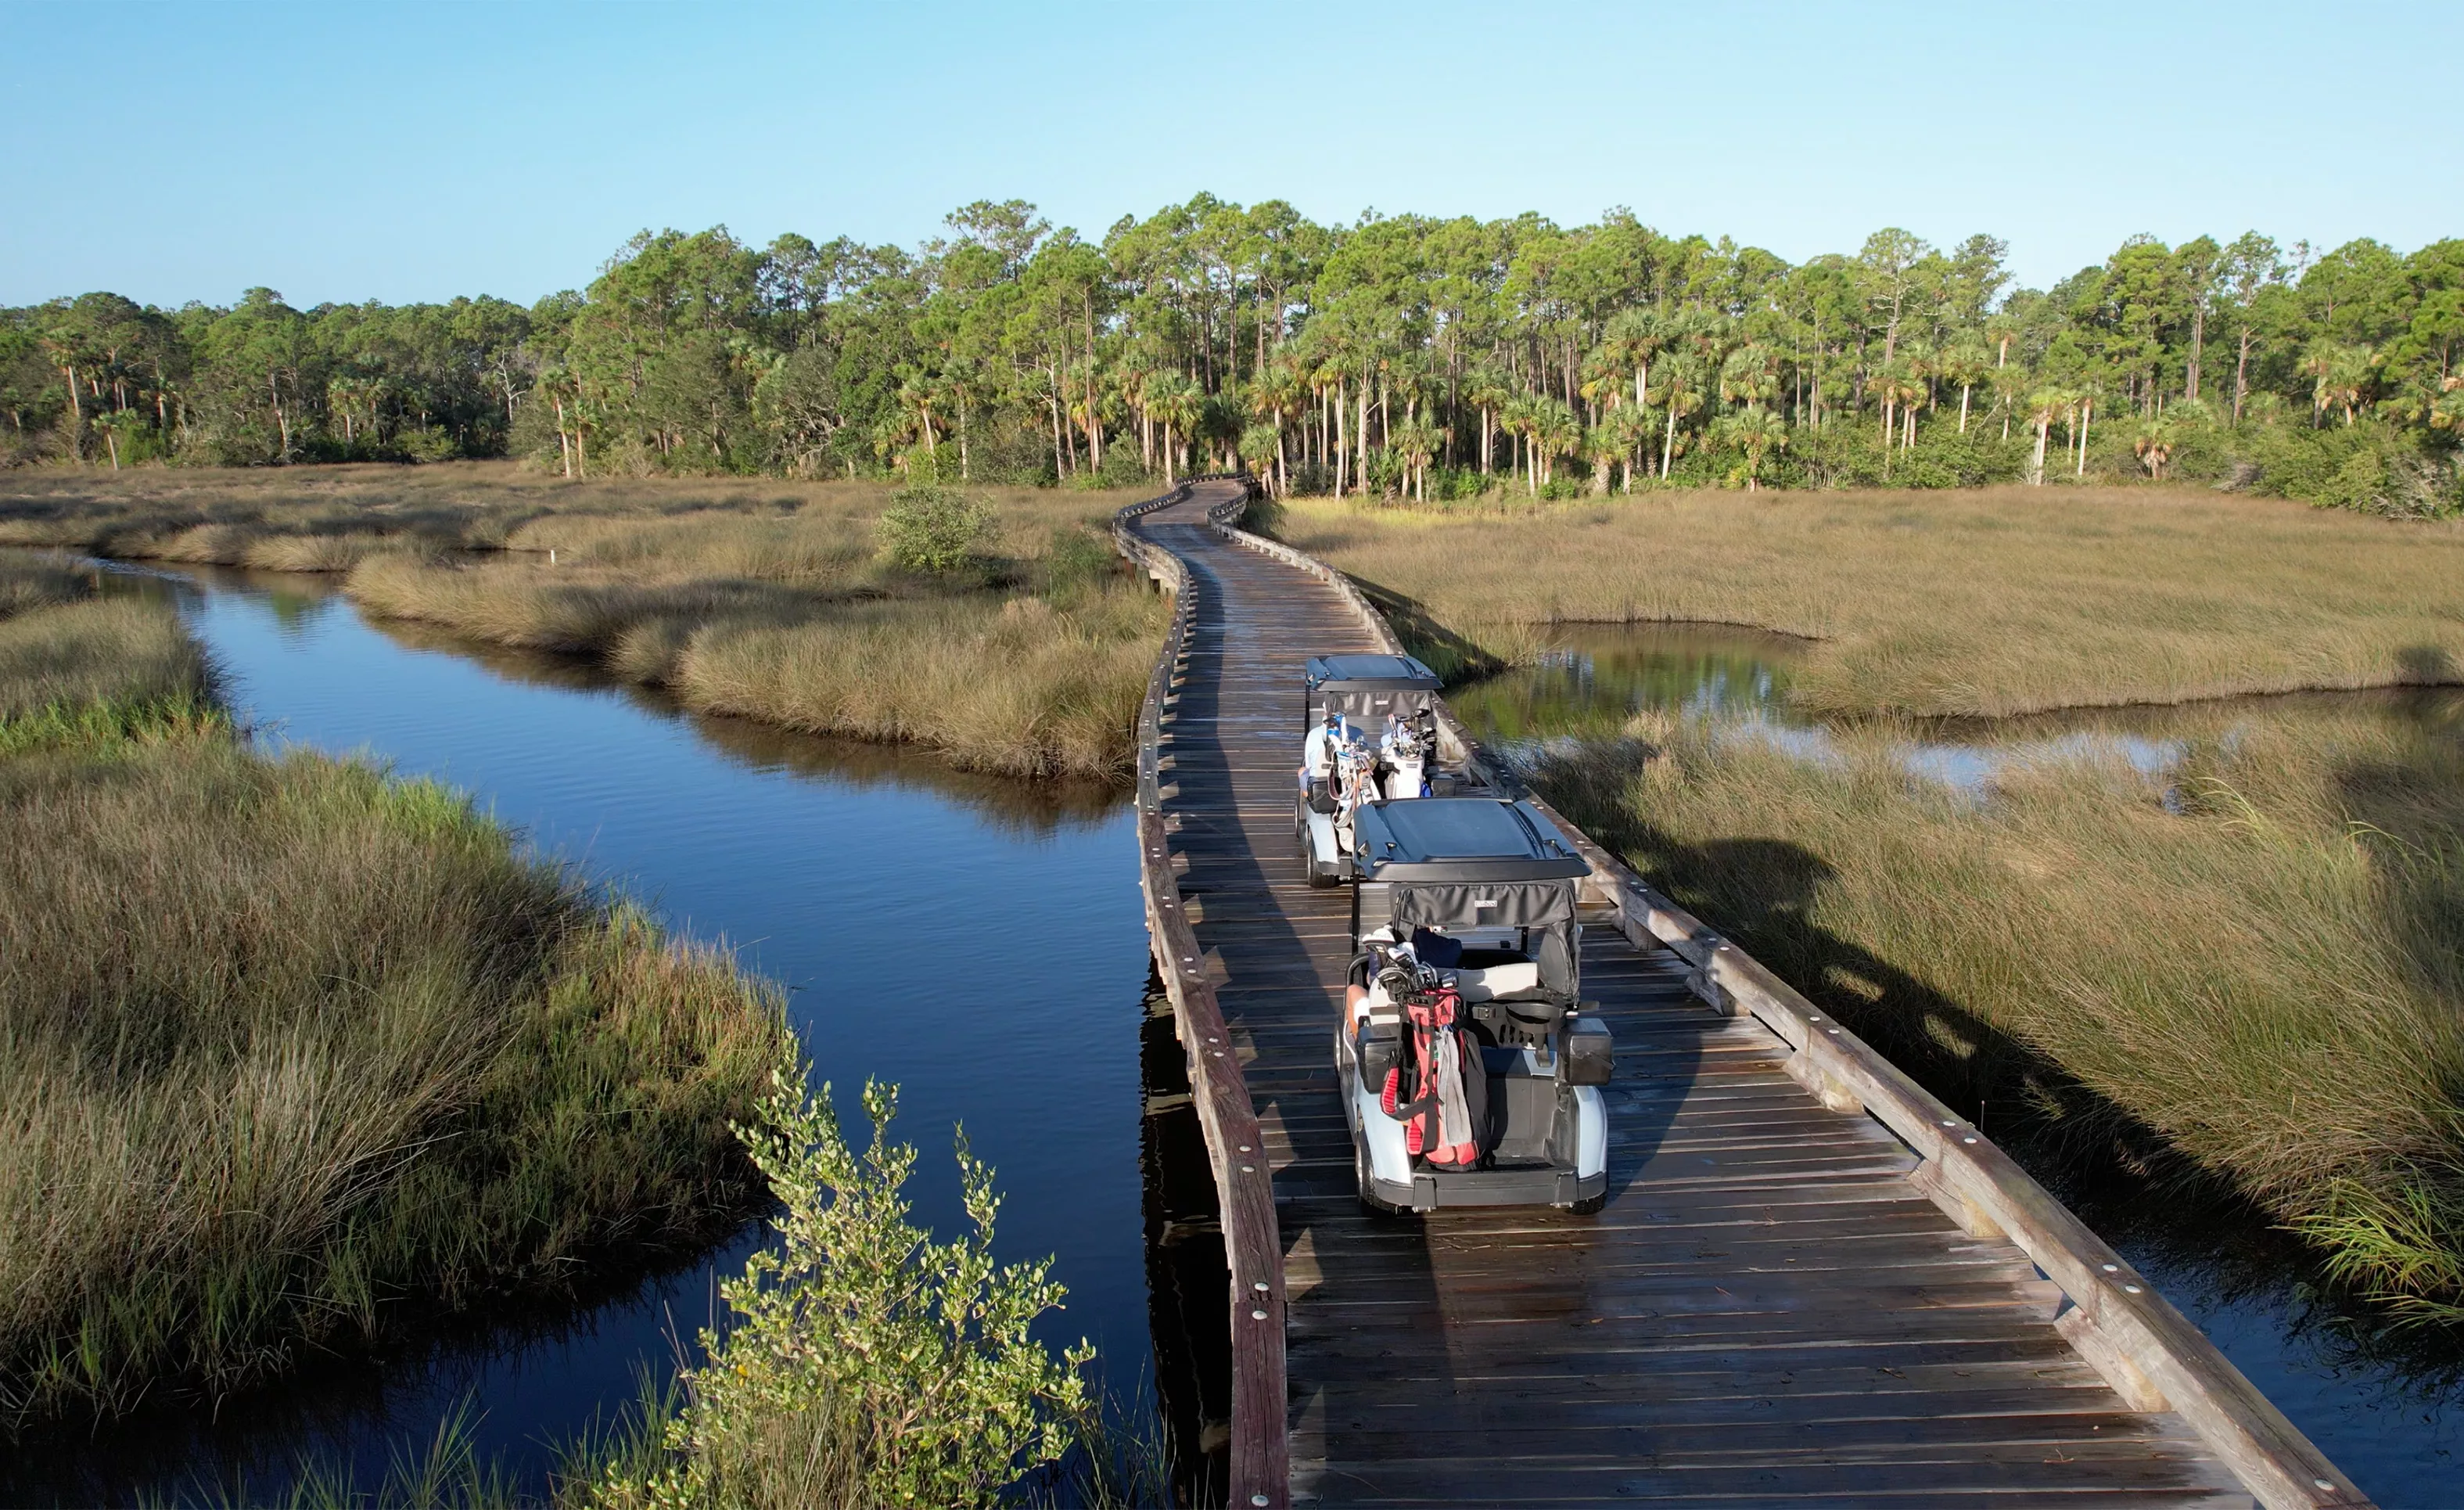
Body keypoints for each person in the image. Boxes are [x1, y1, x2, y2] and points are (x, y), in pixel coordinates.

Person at [1298, 708, 1347, 811]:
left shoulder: (1313, 734)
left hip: (1321, 778)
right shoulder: (1357, 732)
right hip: (1347, 775)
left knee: (1302, 771)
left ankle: (1310, 801)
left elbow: (1308, 765)